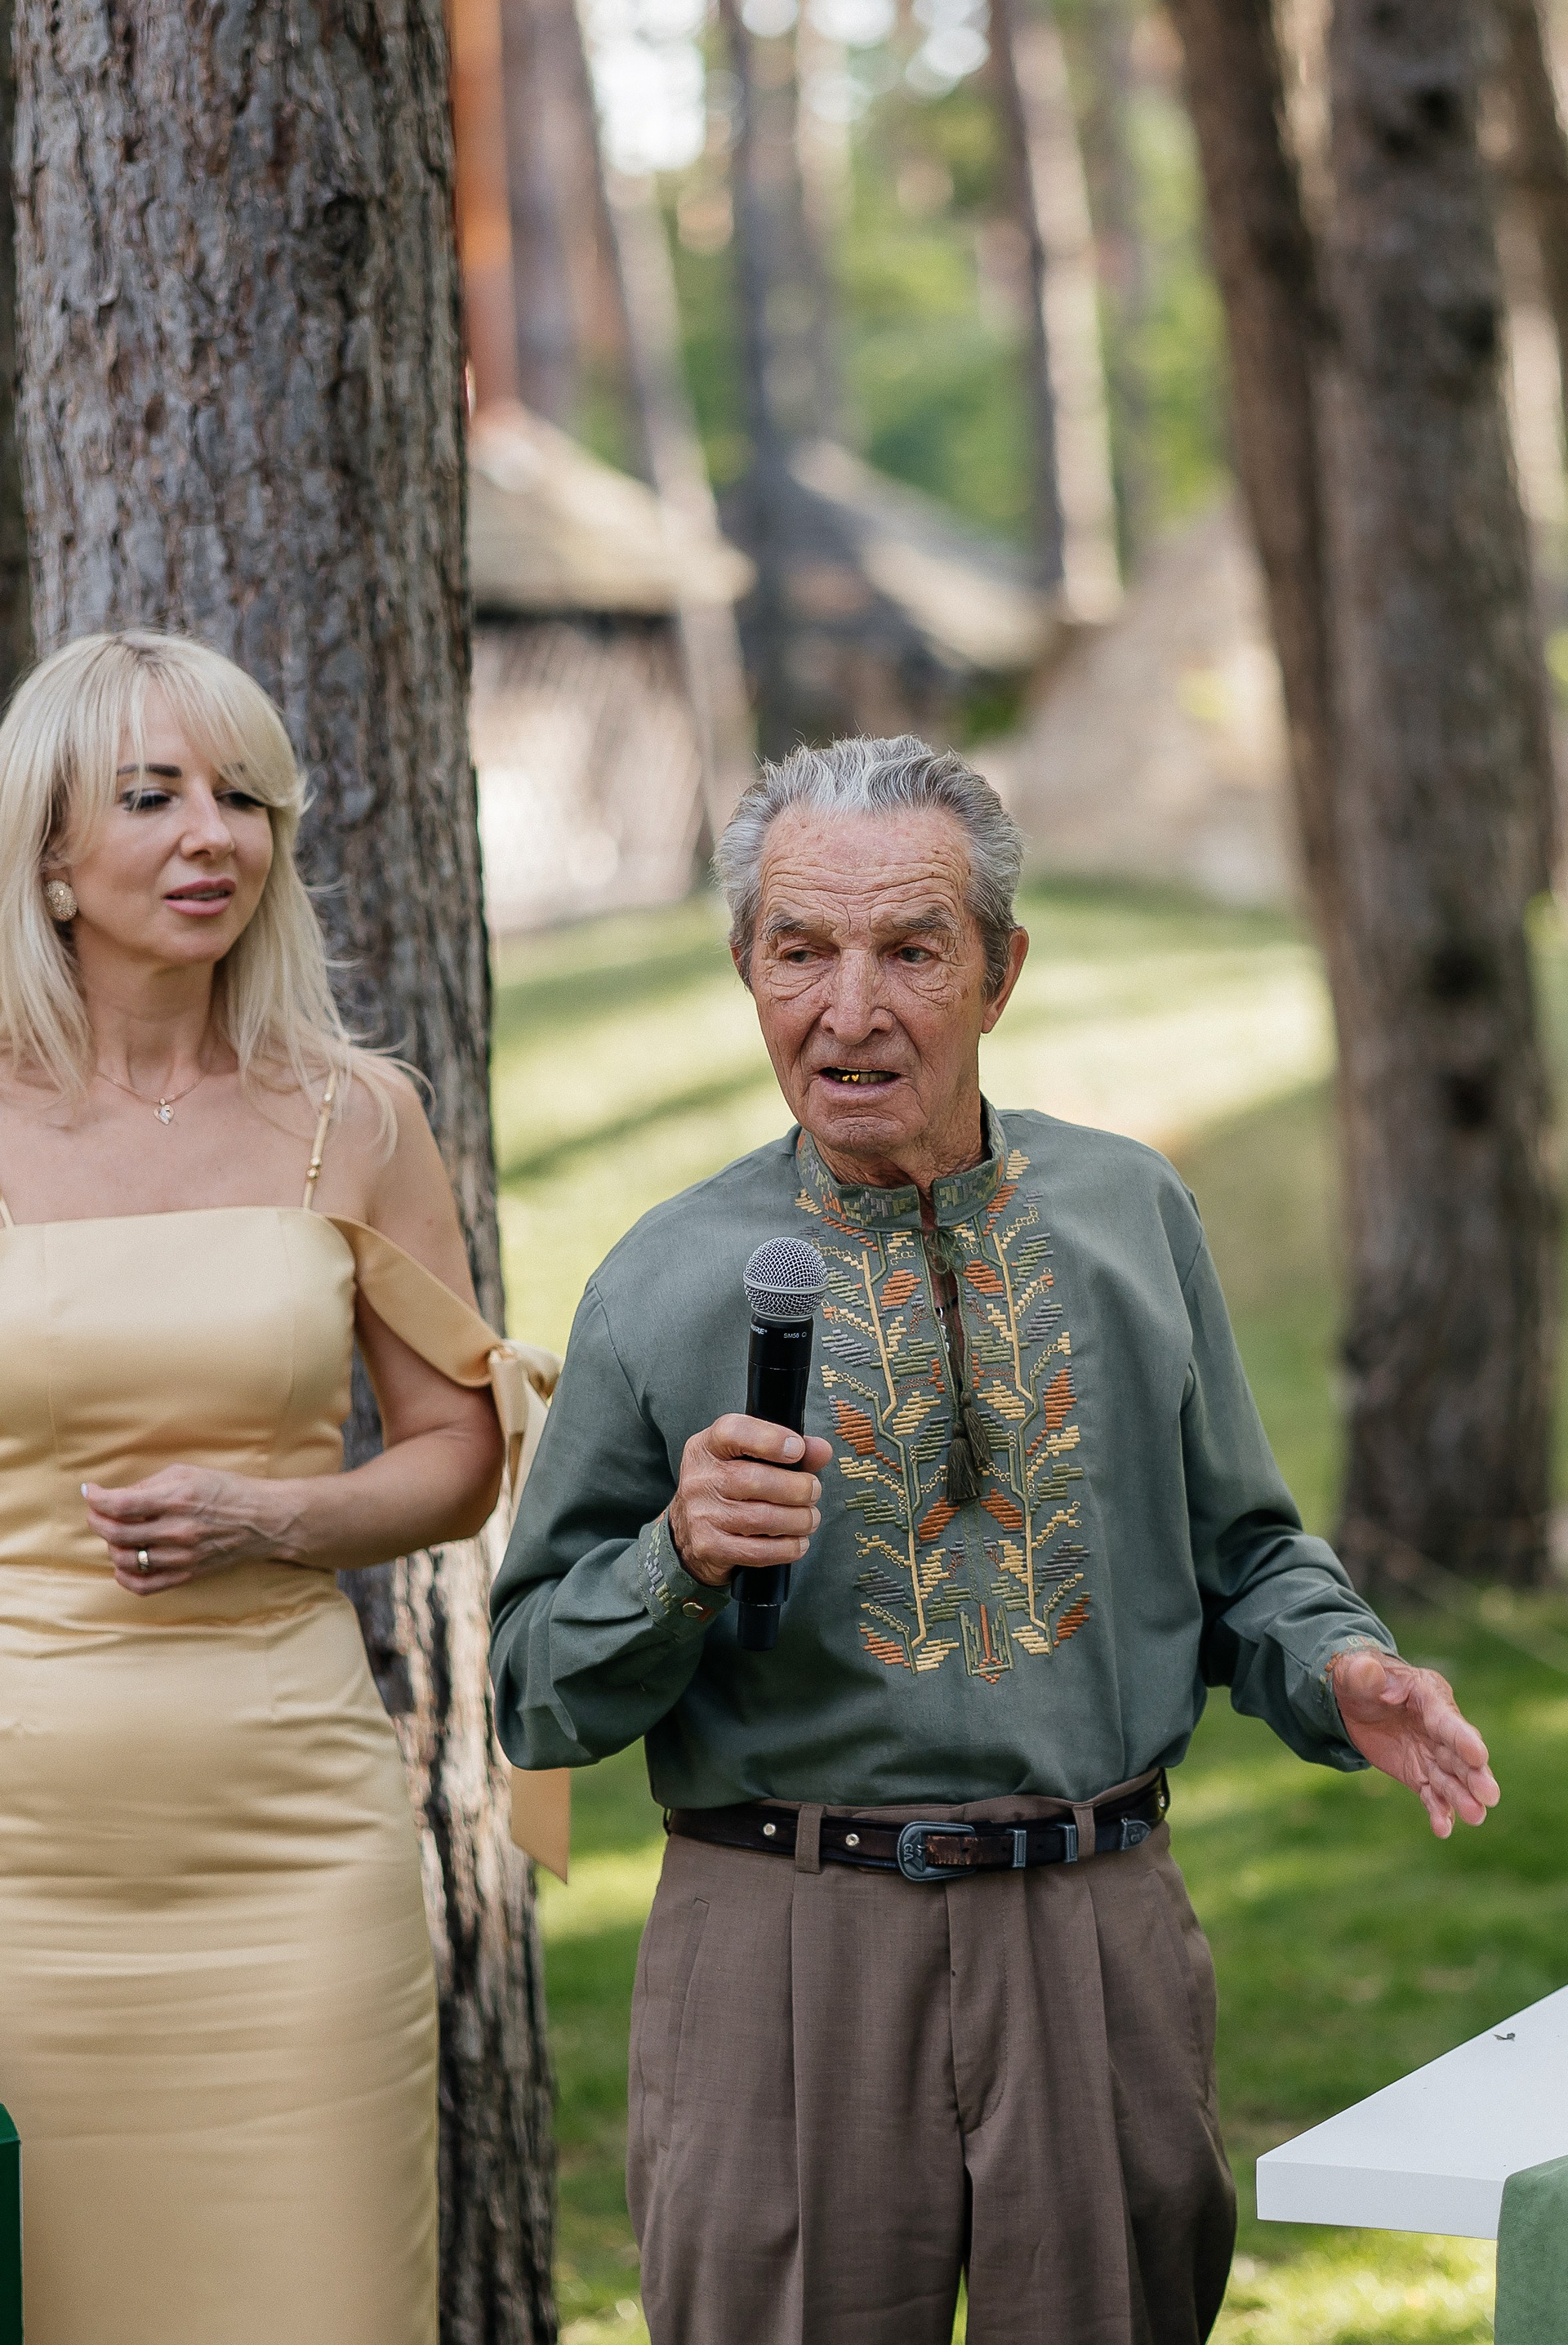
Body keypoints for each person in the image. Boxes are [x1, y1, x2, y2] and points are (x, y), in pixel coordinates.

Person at [490, 735, 1499, 2345]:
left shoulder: (1130, 1217)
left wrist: (1343, 1669)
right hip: (782, 1946)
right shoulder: (660, 1281)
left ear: (1002, 972)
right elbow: (533, 1694)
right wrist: (673, 1557)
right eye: (799, 952)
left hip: (1096, 1933)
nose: (849, 1010)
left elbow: (1246, 1558)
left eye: (912, 950)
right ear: (746, 969)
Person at [0, 631, 546, 2345]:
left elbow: (462, 1446)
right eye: (152, 796)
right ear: (47, 851)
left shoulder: (352, 1117)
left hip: (291, 1849)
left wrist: (277, 1519)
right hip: (19, 1864)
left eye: (243, 798)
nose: (211, 835)